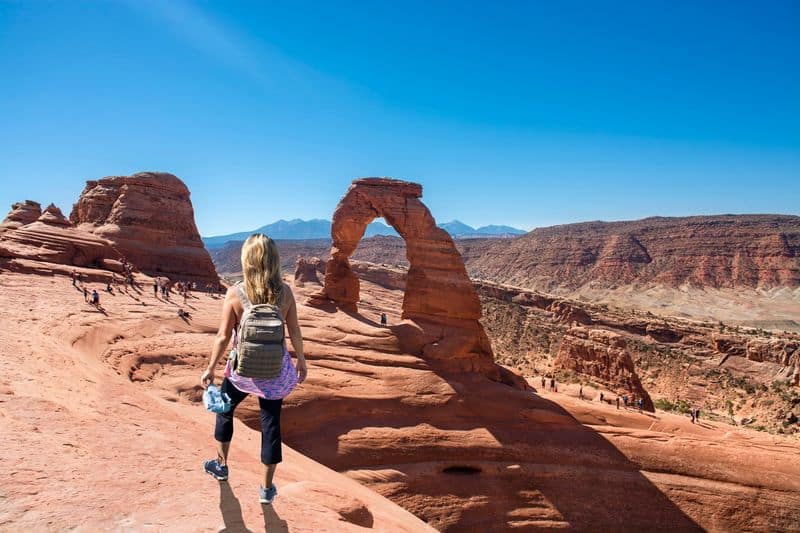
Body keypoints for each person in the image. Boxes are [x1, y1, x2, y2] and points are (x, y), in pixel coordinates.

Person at [200, 234, 308, 505]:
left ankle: (221, 466)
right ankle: (266, 489)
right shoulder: (285, 292)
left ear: (247, 260)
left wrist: (211, 367)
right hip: (275, 372)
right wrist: (301, 361)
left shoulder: (236, 293)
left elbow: (223, 336)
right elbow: (293, 330)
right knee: (271, 426)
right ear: (273, 259)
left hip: (241, 371)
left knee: (224, 411)